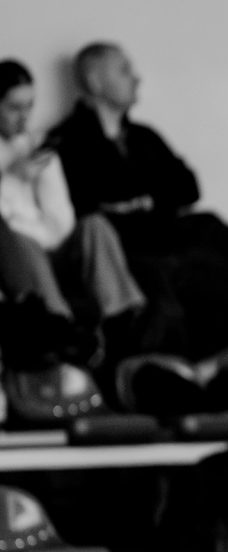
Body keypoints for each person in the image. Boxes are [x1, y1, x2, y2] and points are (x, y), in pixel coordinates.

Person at [47, 42, 228, 361]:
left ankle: (178, 365)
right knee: (163, 305)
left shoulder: (144, 137)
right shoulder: (67, 142)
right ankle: (155, 369)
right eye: (124, 70)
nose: (136, 78)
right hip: (128, 259)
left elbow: (188, 188)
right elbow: (83, 212)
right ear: (95, 81)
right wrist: (147, 202)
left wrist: (137, 202)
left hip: (173, 247)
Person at [0, 58, 145, 367]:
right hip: (19, 253)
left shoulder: (38, 144)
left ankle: (121, 318)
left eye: (29, 106)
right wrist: (12, 180)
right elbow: (8, 229)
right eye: (14, 108)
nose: (24, 117)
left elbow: (61, 221)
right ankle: (62, 328)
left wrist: (44, 175)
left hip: (54, 247)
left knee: (94, 224)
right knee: (16, 237)